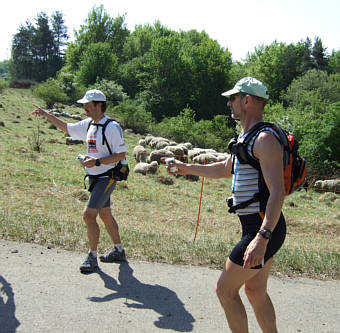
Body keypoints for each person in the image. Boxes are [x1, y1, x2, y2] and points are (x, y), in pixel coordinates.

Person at [165, 77, 286, 333]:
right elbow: (224, 168)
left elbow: (278, 192)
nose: (229, 103)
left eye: (232, 98)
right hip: (257, 225)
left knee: (224, 290)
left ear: (247, 100)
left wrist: (262, 238)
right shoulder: (246, 137)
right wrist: (186, 167)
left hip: (262, 226)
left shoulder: (264, 139)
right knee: (255, 291)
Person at [32, 89, 128, 273]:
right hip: (95, 177)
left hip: (107, 177)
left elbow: (121, 154)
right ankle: (118, 250)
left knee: (88, 215)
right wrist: (46, 115)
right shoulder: (89, 124)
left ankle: (92, 257)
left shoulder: (111, 127)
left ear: (99, 105)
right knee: (105, 214)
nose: (84, 108)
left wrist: (97, 162)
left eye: (88, 104)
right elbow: (67, 127)